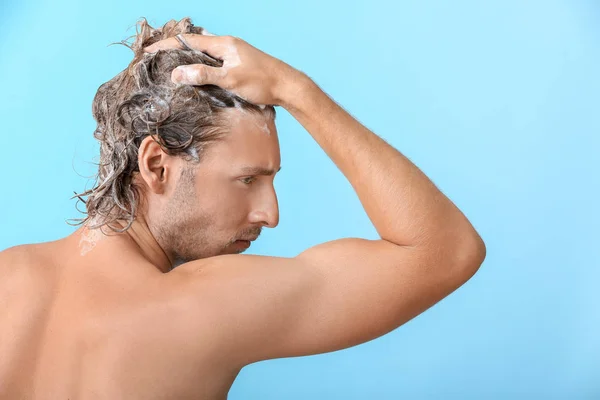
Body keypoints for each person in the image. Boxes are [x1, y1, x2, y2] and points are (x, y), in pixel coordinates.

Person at [0, 17, 486, 399]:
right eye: (247, 179)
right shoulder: (198, 308)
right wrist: (294, 89)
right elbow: (446, 251)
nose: (270, 214)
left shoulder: (8, 278)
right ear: (156, 164)